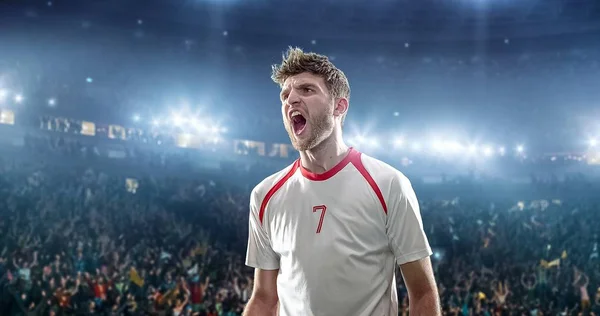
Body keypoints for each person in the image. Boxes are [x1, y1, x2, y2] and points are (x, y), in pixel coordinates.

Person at [243, 47, 441, 316]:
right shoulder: (265, 194)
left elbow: (423, 293)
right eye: (285, 95)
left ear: (339, 106)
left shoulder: (388, 184)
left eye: (307, 90)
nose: (291, 100)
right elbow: (264, 298)